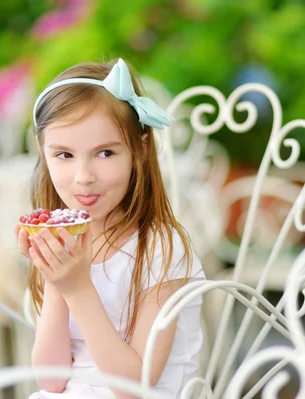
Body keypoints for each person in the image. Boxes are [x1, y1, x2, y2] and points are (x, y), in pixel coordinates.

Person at [14, 58, 206, 399]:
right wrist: (56, 278)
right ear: (43, 153)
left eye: (105, 153)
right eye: (64, 155)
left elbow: (134, 388)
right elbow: (50, 380)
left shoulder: (161, 247)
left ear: (140, 150)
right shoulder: (63, 241)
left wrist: (76, 287)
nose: (84, 176)